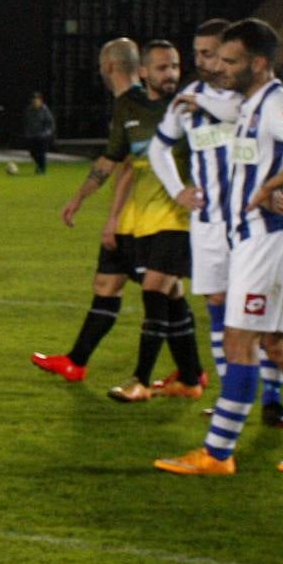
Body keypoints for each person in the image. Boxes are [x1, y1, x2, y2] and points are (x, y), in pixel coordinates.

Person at [155, 18, 283, 475]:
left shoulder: (276, 101)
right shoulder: (249, 105)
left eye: (231, 61)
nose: (221, 68)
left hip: (266, 238)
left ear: (259, 63)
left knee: (238, 339)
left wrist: (271, 187)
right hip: (255, 238)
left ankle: (216, 454)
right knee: (282, 347)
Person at [148, 19, 283, 426]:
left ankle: (272, 400)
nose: (204, 62)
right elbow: (160, 147)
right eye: (198, 54)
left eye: (210, 53)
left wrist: (205, 105)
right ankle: (233, 398)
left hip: (253, 221)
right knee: (217, 306)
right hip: (209, 223)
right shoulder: (189, 97)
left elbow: (238, 113)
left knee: (260, 314)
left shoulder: (248, 97)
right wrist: (178, 190)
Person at [96, 41, 206, 403]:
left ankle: (140, 380)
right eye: (162, 67)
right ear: (144, 73)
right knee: (171, 294)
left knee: (155, 290)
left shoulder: (193, 109)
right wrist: (112, 215)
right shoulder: (143, 110)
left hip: (181, 219)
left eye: (174, 66)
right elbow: (127, 161)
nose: (171, 74)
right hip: (145, 217)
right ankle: (190, 377)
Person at [30, 38, 145, 381]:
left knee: (164, 292)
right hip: (137, 214)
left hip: (144, 216)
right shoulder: (135, 103)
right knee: (107, 285)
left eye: (101, 64)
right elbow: (110, 160)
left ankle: (191, 373)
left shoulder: (133, 106)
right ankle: (76, 362)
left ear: (109, 67)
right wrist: (79, 199)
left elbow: (127, 167)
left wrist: (113, 218)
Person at [23, 93, 54, 175]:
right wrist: (27, 132)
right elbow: (27, 122)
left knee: (41, 152)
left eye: (37, 100)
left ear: (40, 101)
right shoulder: (29, 110)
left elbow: (50, 123)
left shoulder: (45, 110)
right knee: (32, 153)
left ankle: (42, 169)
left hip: (43, 136)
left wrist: (47, 133)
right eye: (34, 100)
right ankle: (39, 165)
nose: (35, 102)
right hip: (32, 135)